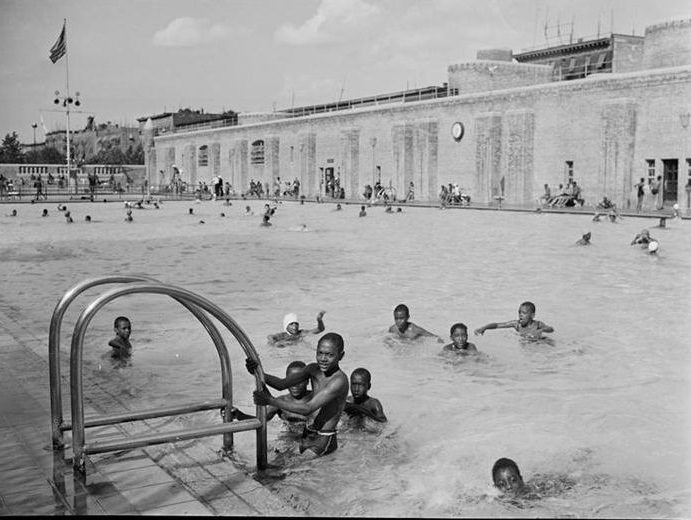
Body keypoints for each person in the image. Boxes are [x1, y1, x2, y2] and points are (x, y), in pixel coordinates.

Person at [246, 332, 349, 458]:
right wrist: (257, 372)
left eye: (330, 355)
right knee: (280, 461)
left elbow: (308, 408)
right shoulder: (313, 369)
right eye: (320, 353)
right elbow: (282, 384)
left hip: (323, 439)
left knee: (293, 472)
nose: (323, 359)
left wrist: (270, 400)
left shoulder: (339, 381)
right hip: (307, 434)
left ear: (341, 356)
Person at [265, 361, 314, 427]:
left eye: (299, 381)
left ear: (307, 381)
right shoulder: (280, 402)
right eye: (290, 381)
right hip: (288, 436)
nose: (294, 385)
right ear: (286, 382)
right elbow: (260, 420)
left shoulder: (316, 399)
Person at [474, 301, 554, 340]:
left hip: (537, 343)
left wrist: (540, 330)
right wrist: (484, 328)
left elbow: (551, 329)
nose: (520, 315)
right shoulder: (517, 324)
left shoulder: (537, 324)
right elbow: (498, 325)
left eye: (524, 313)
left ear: (532, 315)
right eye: (519, 312)